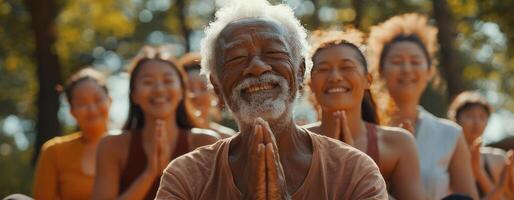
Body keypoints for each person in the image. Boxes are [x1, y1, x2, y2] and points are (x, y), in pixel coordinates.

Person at [156, 0, 388, 199]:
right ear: (217, 86)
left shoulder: (354, 171)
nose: (256, 67)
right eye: (237, 58)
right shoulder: (186, 177)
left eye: (273, 53)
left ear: (300, 71)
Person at [368, 13, 478, 199]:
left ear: (429, 71)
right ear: (380, 71)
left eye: (415, 61)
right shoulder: (364, 127)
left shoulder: (450, 134)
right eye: (396, 62)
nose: (406, 69)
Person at [304, 28, 424, 199]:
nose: (335, 77)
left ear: (368, 80)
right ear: (311, 85)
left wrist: (355, 166)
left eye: (346, 67)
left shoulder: (398, 143)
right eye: (323, 69)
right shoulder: (296, 141)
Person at [91, 46, 219, 200]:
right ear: (134, 95)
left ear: (182, 92)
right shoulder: (111, 146)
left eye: (168, 81)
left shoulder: (206, 143)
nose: (159, 89)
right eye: (148, 82)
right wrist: (150, 173)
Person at [33, 68, 111, 200]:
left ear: (110, 100)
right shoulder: (55, 151)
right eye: (82, 103)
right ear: (71, 111)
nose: (92, 109)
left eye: (97, 99)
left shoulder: (129, 146)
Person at [448, 91, 514, 199]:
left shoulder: (499, 159)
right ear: (456, 119)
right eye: (470, 116)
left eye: (482, 117)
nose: (476, 122)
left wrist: (479, 172)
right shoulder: (447, 158)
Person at [178, 52, 236, 139]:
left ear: (214, 93)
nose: (196, 95)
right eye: (189, 89)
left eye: (203, 88)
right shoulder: (174, 138)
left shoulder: (227, 138)